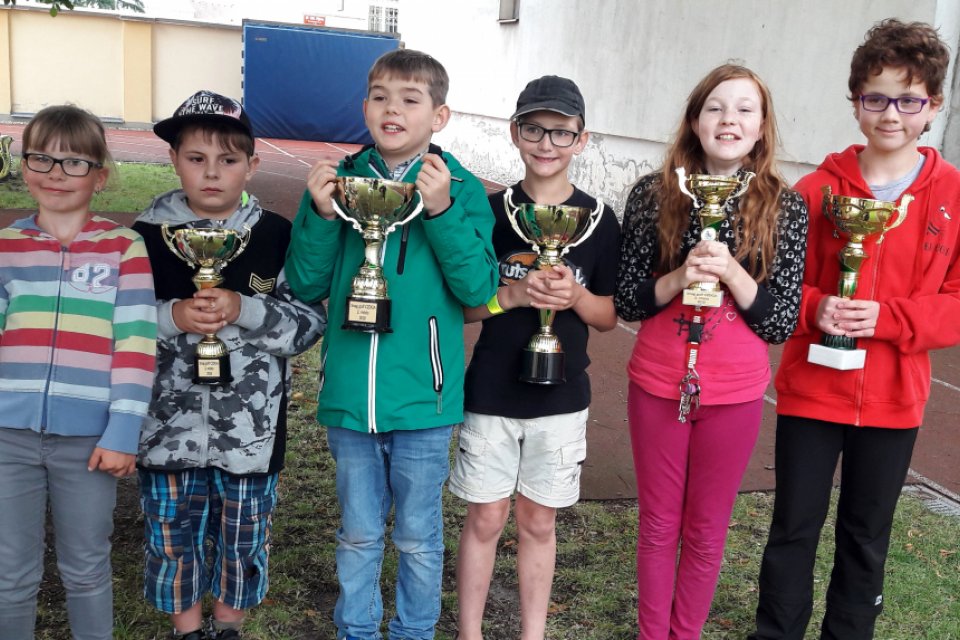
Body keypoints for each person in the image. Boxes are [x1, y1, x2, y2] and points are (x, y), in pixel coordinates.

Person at [748, 19, 960, 640]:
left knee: (867, 534)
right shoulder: (815, 190)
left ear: (933, 106)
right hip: (813, 391)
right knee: (793, 526)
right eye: (876, 97)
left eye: (908, 100)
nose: (890, 113)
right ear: (855, 102)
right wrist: (816, 308)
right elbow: (778, 285)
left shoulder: (952, 196)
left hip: (894, 400)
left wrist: (890, 320)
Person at [284, 49, 499, 640]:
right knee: (357, 532)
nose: (392, 110)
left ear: (439, 116)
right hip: (351, 395)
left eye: (410, 99)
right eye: (380, 97)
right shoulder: (338, 183)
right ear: (364, 108)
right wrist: (321, 214)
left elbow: (477, 288)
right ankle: (356, 630)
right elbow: (305, 282)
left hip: (424, 399)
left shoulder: (461, 189)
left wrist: (442, 210)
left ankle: (413, 631)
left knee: (418, 535)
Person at [614, 64, 808, 639]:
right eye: (716, 107)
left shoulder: (785, 206)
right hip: (658, 382)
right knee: (658, 524)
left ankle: (686, 633)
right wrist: (681, 276)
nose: (729, 120)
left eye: (745, 109)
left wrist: (731, 272)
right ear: (695, 120)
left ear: (762, 126)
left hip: (734, 391)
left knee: (705, 529)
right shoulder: (653, 194)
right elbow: (627, 299)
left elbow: (781, 321)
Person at [133, 90, 327, 640]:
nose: (212, 172)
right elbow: (116, 326)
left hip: (251, 438)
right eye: (196, 158)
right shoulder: (143, 240)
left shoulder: (276, 237)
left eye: (228, 159)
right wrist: (172, 316)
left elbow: (307, 324)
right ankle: (187, 629)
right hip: (162, 433)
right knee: (172, 538)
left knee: (244, 539)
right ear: (174, 160)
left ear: (252, 165)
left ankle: (228, 627)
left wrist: (246, 309)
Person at [448, 75, 621, 640]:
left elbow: (607, 316)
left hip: (561, 397)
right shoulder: (488, 212)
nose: (547, 143)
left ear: (582, 139)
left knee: (538, 520)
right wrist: (515, 295)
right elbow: (466, 308)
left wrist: (575, 297)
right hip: (492, 390)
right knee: (485, 517)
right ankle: (469, 633)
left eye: (561, 132)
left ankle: (533, 634)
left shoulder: (599, 219)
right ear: (515, 132)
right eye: (535, 129)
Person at [0, 105, 158, 640]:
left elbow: (136, 345)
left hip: (90, 444)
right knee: (10, 574)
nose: (55, 173)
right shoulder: (6, 247)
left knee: (86, 568)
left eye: (73, 162)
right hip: (8, 438)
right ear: (24, 166)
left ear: (100, 176)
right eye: (41, 159)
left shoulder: (124, 247)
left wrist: (122, 432)